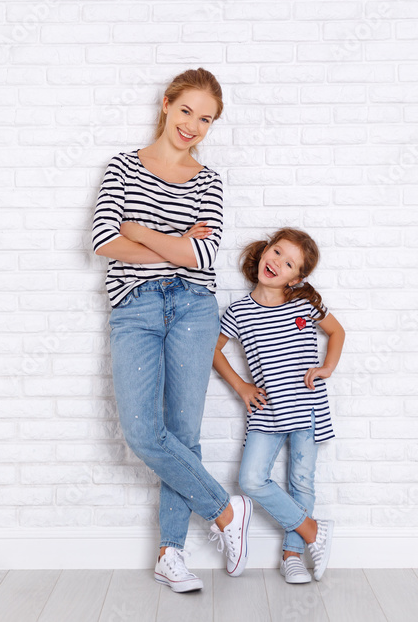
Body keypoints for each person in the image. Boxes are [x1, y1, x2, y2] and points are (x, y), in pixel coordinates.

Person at [91, 68, 252, 593]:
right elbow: (102, 242)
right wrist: (173, 241)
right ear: (166, 105)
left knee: (183, 436)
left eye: (205, 119)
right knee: (142, 433)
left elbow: (202, 255)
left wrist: (139, 230)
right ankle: (225, 511)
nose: (193, 126)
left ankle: (171, 553)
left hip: (194, 309)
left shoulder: (209, 181)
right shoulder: (121, 167)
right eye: (187, 111)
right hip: (133, 307)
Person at [212, 228, 346, 584]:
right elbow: (212, 349)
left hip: (307, 406)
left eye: (289, 263)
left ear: (297, 277)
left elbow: (338, 332)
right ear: (264, 251)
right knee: (251, 480)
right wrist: (241, 386)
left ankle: (293, 554)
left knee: (301, 480)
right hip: (266, 411)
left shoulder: (304, 304)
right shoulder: (238, 312)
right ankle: (313, 530)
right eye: (276, 252)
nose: (277, 263)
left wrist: (328, 367)